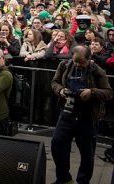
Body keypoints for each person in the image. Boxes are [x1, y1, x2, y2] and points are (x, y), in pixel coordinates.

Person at [50, 45, 113, 184]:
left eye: (81, 62)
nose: (78, 65)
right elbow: (54, 82)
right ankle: (63, 178)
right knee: (57, 143)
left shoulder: (97, 70)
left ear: (89, 58)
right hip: (67, 113)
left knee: (87, 153)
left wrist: (92, 92)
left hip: (88, 116)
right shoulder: (64, 65)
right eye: (76, 61)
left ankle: (83, 181)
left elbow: (109, 92)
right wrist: (60, 90)